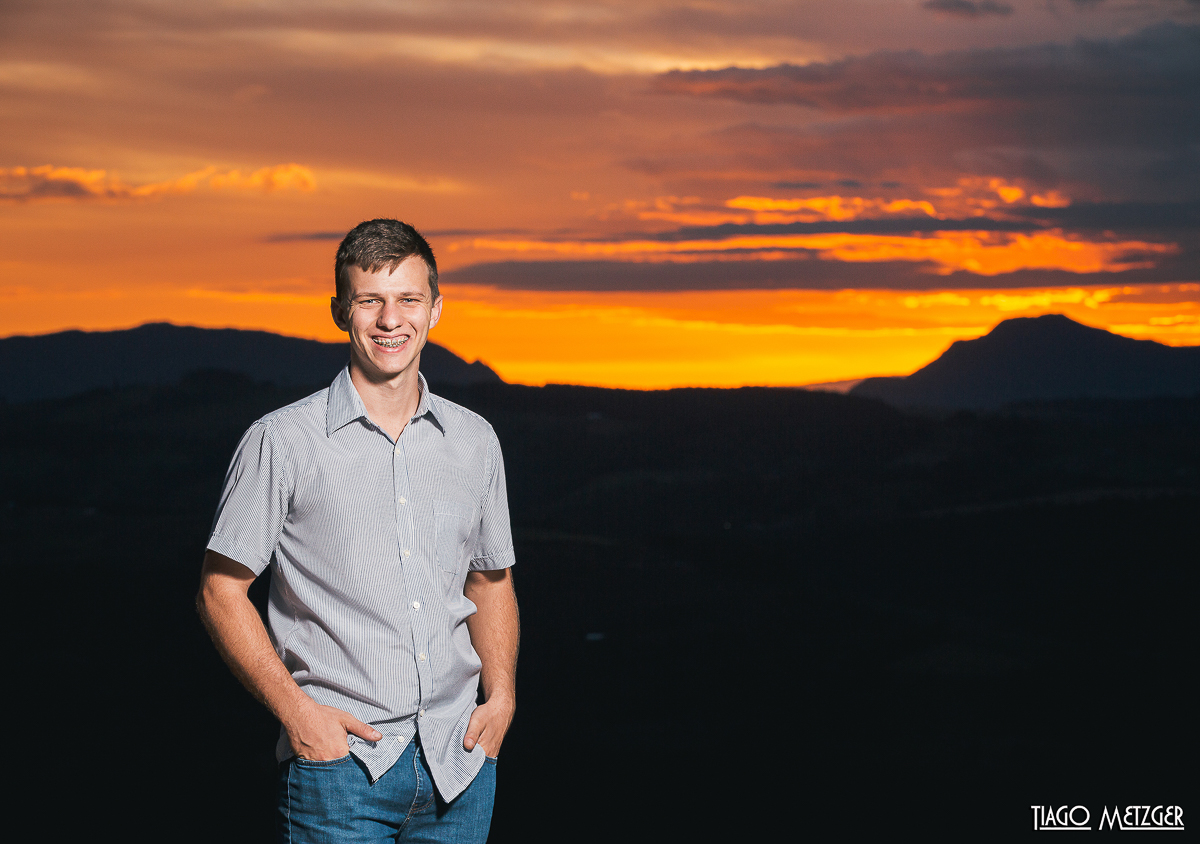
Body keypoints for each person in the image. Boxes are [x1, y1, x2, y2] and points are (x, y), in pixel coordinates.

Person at [196, 219, 518, 843]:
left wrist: (500, 698)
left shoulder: (476, 442)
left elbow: (491, 580)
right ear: (341, 311)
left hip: (462, 765)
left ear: (436, 309)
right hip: (341, 771)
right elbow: (219, 590)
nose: (390, 319)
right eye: (370, 300)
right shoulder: (280, 440)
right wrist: (297, 715)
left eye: (408, 299)